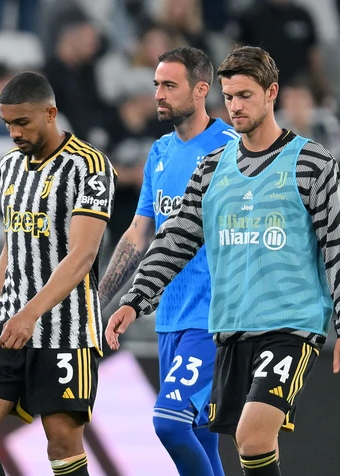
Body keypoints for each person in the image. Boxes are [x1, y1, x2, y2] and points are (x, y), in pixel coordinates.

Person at [106, 46, 340, 476]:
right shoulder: (212, 168)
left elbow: (336, 246)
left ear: (271, 93)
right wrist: (134, 300)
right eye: (229, 97)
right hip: (230, 327)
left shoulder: (311, 162)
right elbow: (175, 239)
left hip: (289, 325)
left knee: (252, 436)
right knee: (231, 443)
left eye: (245, 95)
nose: (235, 106)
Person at [0, 72, 116, 476]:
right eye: (8, 123)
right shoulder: (9, 166)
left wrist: (30, 314)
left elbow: (83, 255)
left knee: (62, 444)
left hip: (67, 330)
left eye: (22, 122)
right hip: (10, 323)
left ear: (50, 113)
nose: (14, 133)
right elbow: (12, 246)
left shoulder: (89, 166)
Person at [99, 47, 236, 476]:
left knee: (169, 423)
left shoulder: (231, 149)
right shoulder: (159, 152)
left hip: (213, 316)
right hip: (169, 315)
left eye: (169, 85)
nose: (158, 94)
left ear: (200, 90)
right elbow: (139, 232)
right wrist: (101, 299)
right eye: (156, 84)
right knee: (199, 436)